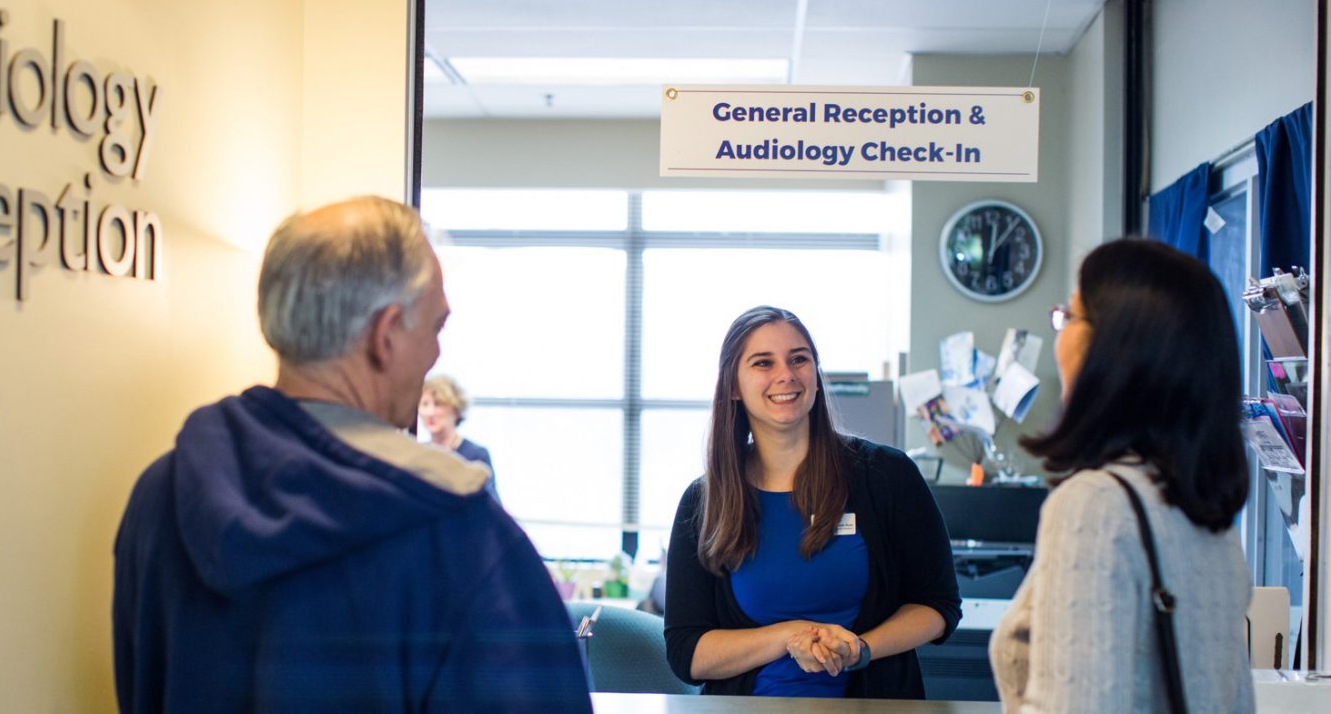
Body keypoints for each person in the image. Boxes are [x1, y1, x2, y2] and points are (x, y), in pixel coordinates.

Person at [111, 196, 590, 712]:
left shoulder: (162, 495)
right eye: (436, 326)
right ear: (385, 336)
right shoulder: (460, 536)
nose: (436, 353)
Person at [989, 238, 1254, 712]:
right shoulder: (1203, 510)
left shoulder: (1095, 504)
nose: (1059, 335)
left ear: (1115, 349)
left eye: (1068, 317)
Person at [663, 305, 961, 698]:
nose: (785, 375)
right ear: (734, 387)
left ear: (816, 376)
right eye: (763, 363)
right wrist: (789, 635)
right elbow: (687, 652)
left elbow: (938, 605)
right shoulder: (704, 501)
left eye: (799, 359)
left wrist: (861, 650)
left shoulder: (886, 476)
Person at [420, 374, 499, 500]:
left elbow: (491, 508)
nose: (430, 412)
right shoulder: (416, 454)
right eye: (425, 404)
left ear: (456, 409)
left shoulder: (476, 456)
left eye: (438, 404)